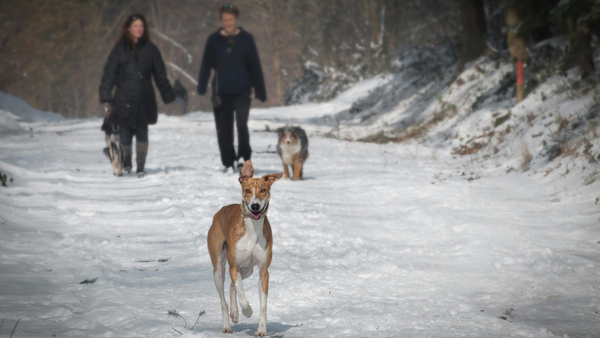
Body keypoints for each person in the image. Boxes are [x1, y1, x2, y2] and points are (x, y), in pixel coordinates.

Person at [99, 14, 175, 178]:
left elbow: (160, 75)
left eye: (141, 26)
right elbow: (109, 74)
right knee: (125, 134)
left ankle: (141, 166)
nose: (138, 29)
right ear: (128, 28)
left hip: (145, 97)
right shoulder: (119, 49)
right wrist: (106, 96)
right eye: (135, 26)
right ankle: (126, 159)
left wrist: (167, 96)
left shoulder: (151, 49)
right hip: (123, 98)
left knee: (142, 132)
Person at [197, 3, 267, 174]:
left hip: (243, 90)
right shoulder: (214, 40)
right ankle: (228, 162)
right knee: (224, 128)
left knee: (242, 125)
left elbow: (254, 66)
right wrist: (201, 85)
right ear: (221, 20)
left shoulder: (246, 39)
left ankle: (244, 158)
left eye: (231, 19)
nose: (228, 22)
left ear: (236, 19)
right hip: (221, 91)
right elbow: (206, 64)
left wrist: (260, 90)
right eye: (225, 19)